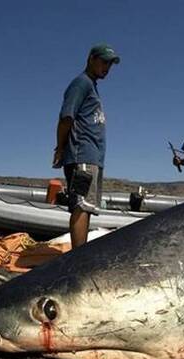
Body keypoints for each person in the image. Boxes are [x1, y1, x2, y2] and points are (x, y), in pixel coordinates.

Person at [52, 44, 120, 248]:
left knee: (87, 206)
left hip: (92, 158)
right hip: (82, 155)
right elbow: (66, 117)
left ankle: (79, 255)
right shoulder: (81, 84)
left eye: (110, 64)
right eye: (104, 61)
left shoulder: (92, 86)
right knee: (81, 206)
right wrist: (60, 147)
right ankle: (77, 259)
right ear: (91, 58)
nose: (107, 67)